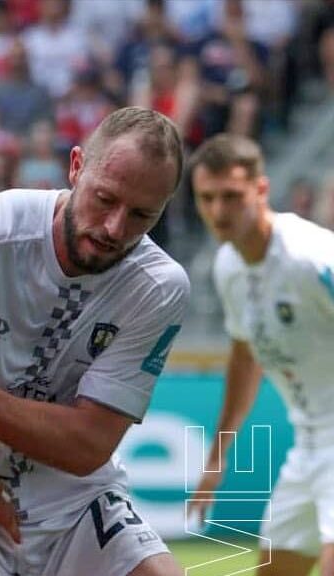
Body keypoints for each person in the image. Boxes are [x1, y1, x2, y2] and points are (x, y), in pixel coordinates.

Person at [0, 107, 190, 576]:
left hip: (74, 500)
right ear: (75, 167)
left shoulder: (159, 286)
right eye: (104, 199)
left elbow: (86, 446)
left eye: (141, 215)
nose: (115, 228)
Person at [187, 134, 334, 576]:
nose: (218, 211)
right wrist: (217, 456)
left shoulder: (312, 259)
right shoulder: (227, 267)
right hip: (308, 447)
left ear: (261, 190)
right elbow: (245, 358)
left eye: (231, 197)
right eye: (206, 198)